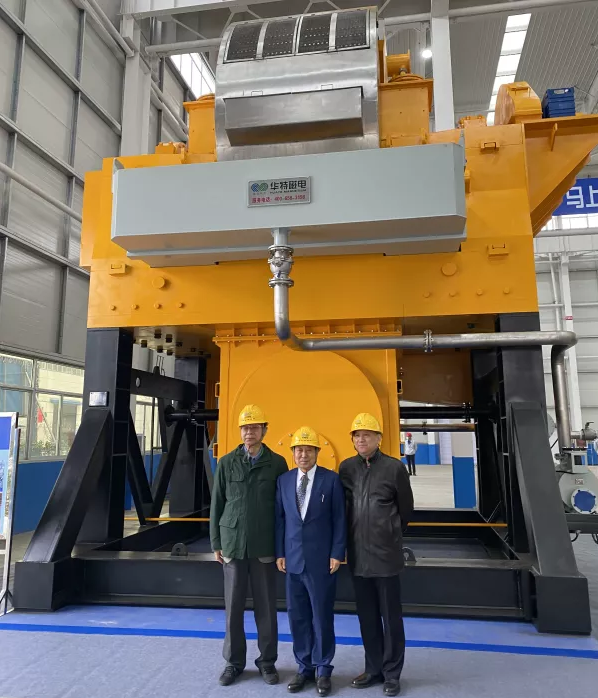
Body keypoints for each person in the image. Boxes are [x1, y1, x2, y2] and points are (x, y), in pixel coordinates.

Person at [210, 404, 288, 687]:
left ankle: (267, 662)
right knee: (233, 608)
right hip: (232, 544)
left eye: (254, 427)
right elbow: (217, 503)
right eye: (244, 427)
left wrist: (281, 548)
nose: (248, 432)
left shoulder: (277, 463)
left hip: (264, 545)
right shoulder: (226, 463)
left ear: (264, 430)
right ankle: (233, 663)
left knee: (266, 608)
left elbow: (282, 510)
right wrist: (216, 542)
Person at [339, 413, 414, 698]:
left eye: (367, 435)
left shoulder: (394, 468)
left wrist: (389, 533)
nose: (361, 439)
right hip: (358, 556)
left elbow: (406, 510)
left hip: (386, 556)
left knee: (391, 618)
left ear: (379, 438)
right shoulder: (347, 468)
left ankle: (392, 674)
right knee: (367, 617)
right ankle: (373, 669)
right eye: (357, 435)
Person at [275, 427, 346, 697]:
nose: (303, 454)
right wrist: (280, 552)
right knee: (298, 616)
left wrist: (337, 552)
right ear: (293, 453)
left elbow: (339, 519)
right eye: (299, 450)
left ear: (317, 452)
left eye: (308, 450)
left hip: (321, 561)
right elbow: (280, 520)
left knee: (321, 615)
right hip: (292, 560)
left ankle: (323, 668)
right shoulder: (284, 481)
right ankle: (304, 667)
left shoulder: (331, 480)